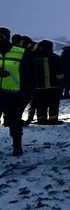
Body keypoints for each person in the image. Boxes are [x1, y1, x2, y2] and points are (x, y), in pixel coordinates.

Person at [0, 27, 32, 156]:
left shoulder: (21, 52)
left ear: (7, 37)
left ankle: (17, 147)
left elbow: (29, 73)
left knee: (14, 123)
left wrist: (25, 92)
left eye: (1, 36)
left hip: (14, 94)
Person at [31, 40, 64, 124]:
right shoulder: (55, 57)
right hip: (54, 86)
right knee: (54, 104)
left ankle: (41, 119)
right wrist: (61, 83)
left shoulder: (35, 58)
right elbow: (60, 72)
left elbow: (30, 72)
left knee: (41, 104)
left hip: (39, 86)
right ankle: (53, 119)